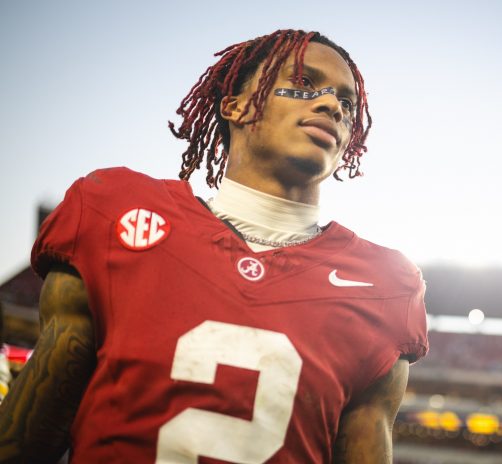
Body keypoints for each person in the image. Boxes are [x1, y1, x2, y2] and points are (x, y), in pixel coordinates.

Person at [0, 29, 428, 463]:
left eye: (347, 102)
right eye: (302, 84)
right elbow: (27, 441)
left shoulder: (385, 284)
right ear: (235, 105)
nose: (333, 104)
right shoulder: (115, 213)